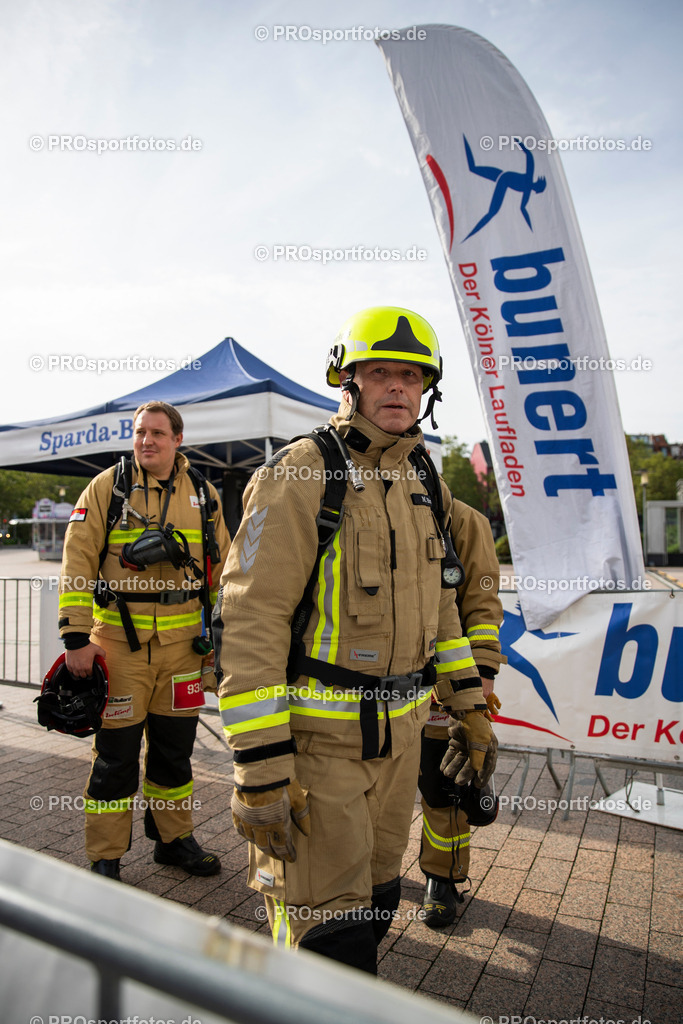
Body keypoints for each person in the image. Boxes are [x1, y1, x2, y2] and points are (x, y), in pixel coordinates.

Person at [215, 306, 497, 973]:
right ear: (348, 381)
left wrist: (469, 709)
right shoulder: (301, 473)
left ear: (427, 390)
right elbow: (252, 621)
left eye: (412, 376)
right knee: (326, 946)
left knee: (375, 909)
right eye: (380, 373)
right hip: (319, 756)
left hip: (400, 753)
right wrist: (260, 766)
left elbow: (443, 613)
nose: (398, 387)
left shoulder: (423, 481)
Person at [58, 400, 230, 880]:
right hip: (118, 648)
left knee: (175, 753)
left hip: (184, 654)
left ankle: (173, 841)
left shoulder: (203, 493)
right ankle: (105, 855)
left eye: (156, 433)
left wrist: (222, 638)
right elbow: (77, 560)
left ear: (178, 439)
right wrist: (75, 637)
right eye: (139, 432)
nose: (146, 441)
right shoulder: (107, 487)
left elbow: (222, 572)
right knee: (115, 758)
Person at [419, 496, 505, 927]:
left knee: (445, 786)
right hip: (380, 686)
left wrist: (480, 681)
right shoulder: (360, 502)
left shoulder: (466, 520)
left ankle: (443, 878)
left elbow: (482, 605)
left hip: (447, 685)